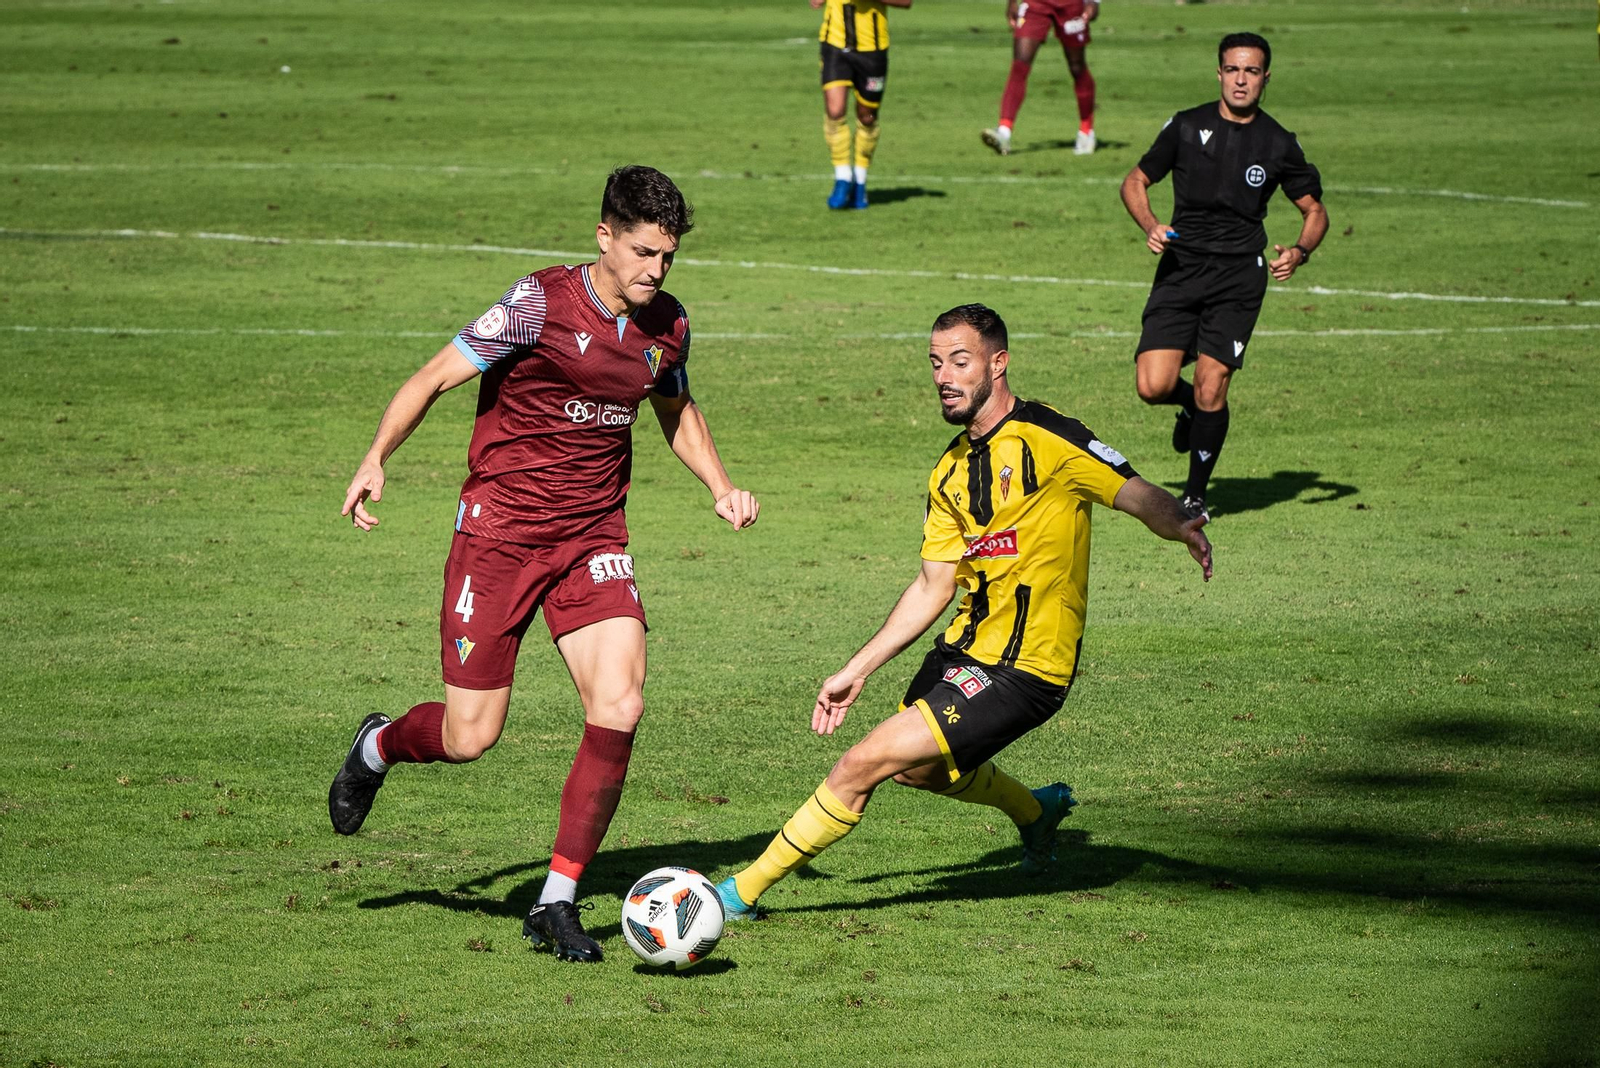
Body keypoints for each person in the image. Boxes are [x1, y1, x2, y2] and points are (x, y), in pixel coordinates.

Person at [327, 165, 760, 964]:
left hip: (593, 539)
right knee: (470, 736)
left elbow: (675, 407)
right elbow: (434, 376)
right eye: (642, 252)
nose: (656, 269)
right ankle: (378, 746)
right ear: (604, 237)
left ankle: (555, 900)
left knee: (620, 702)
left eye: (667, 255)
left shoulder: (668, 324)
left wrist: (720, 485)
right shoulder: (538, 304)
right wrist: (375, 457)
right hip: (498, 537)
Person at [714, 303, 1211, 922]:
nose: (943, 377)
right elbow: (932, 585)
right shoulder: (949, 471)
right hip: (965, 648)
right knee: (919, 773)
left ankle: (736, 895)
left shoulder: (1049, 438)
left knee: (862, 762)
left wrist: (1180, 522)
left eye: (959, 361)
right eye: (935, 363)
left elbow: (1135, 492)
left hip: (1027, 668)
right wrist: (856, 669)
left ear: (997, 364)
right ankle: (1036, 811)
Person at [1119, 32, 1328, 521]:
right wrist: (1151, 225)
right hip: (1182, 267)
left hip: (1238, 277)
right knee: (1152, 386)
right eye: (1233, 69)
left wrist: (1299, 251)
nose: (1240, 80)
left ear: (1266, 78)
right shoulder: (1186, 126)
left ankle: (1195, 495)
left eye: (1251, 71)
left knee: (1213, 384)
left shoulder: (1278, 142)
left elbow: (1314, 210)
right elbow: (1135, 180)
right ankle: (1191, 408)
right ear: (1218, 73)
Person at [813, 0, 913, 210]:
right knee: (835, 111)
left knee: (867, 117)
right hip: (834, 45)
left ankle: (860, 180)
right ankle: (842, 177)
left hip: (873, 51)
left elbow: (906, 2)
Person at [981, 0, 1100, 157]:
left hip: (1071, 4)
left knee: (1077, 67)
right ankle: (1004, 132)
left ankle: (1086, 131)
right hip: (1035, 4)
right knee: (1020, 64)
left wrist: (1094, 1)